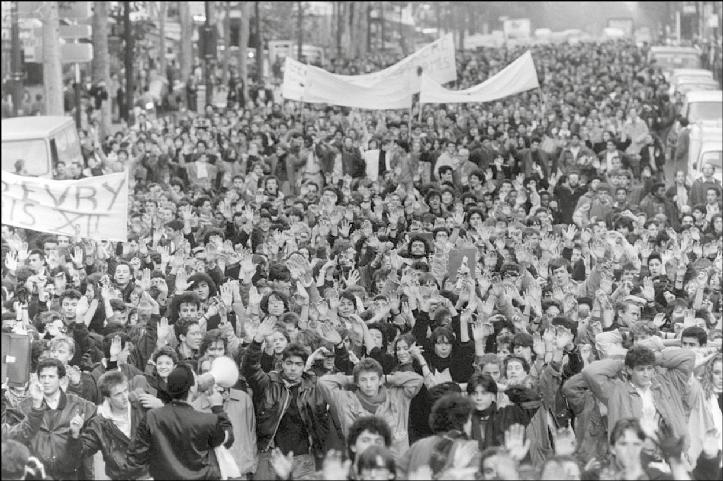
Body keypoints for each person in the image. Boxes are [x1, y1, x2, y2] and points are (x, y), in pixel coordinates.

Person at [242, 317, 330, 480]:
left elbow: (322, 421)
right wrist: (257, 340)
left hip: (304, 458)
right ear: (282, 363)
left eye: (298, 364)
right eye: (289, 363)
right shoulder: (268, 383)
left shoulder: (314, 387)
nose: (293, 368)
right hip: (270, 456)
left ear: (305, 366)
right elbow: (249, 368)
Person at [125, 363, 234, 479]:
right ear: (192, 388)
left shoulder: (152, 417)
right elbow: (228, 439)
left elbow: (135, 457)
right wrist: (218, 408)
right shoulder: (208, 420)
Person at [5, 358, 96, 480]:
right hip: (37, 475)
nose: (46, 381)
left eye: (51, 377)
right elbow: (14, 440)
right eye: (43, 377)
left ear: (62, 380)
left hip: (69, 475)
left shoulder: (80, 405)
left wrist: (76, 437)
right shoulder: (24, 407)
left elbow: (93, 441)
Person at [68, 371, 148, 480]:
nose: (125, 397)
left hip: (149, 475)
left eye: (125, 391)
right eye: (118, 394)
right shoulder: (98, 424)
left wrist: (161, 405)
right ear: (108, 398)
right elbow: (80, 452)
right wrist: (75, 434)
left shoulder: (142, 409)